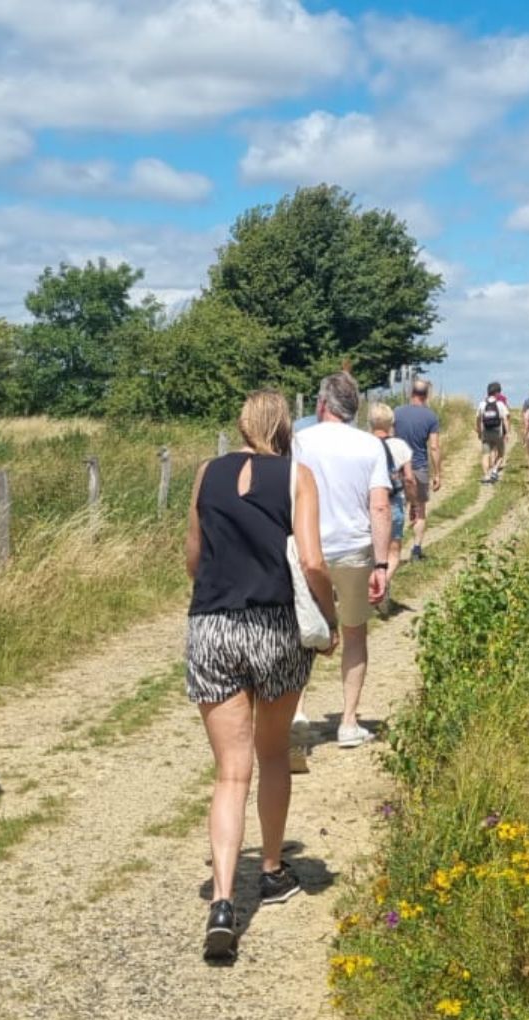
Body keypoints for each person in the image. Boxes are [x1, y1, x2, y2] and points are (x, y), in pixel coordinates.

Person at [185, 389, 337, 961]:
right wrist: (327, 621)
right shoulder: (298, 477)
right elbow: (315, 563)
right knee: (272, 754)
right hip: (273, 626)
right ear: (283, 427)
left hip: (213, 625)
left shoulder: (206, 473)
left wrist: (210, 595)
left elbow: (193, 554)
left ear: (243, 425)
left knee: (230, 773)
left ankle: (222, 900)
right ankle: (270, 870)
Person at [294, 371, 391, 749]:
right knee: (354, 632)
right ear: (355, 408)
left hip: (307, 550)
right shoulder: (370, 446)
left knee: (303, 632)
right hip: (353, 549)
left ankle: (298, 712)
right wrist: (381, 564)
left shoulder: (300, 442)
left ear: (321, 403)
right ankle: (348, 722)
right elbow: (379, 505)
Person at [368, 401, 417, 615]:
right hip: (393, 501)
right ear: (391, 423)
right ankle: (382, 585)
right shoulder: (400, 446)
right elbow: (409, 478)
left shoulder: (362, 444)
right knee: (394, 551)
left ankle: (372, 585)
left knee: (370, 551)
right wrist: (414, 503)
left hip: (368, 502)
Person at [393, 378, 441, 561]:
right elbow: (434, 447)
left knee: (397, 508)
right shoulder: (431, 417)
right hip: (419, 467)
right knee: (419, 509)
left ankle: (392, 549)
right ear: (426, 395)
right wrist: (437, 473)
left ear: (410, 393)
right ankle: (416, 549)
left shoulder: (396, 413)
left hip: (397, 468)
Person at [476, 381, 510, 484]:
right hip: (497, 433)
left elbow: (478, 419)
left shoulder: (482, 404)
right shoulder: (500, 404)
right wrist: (507, 433)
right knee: (501, 454)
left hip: (486, 432)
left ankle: (486, 476)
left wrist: (479, 431)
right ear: (497, 393)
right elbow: (505, 419)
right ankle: (495, 470)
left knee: (485, 454)